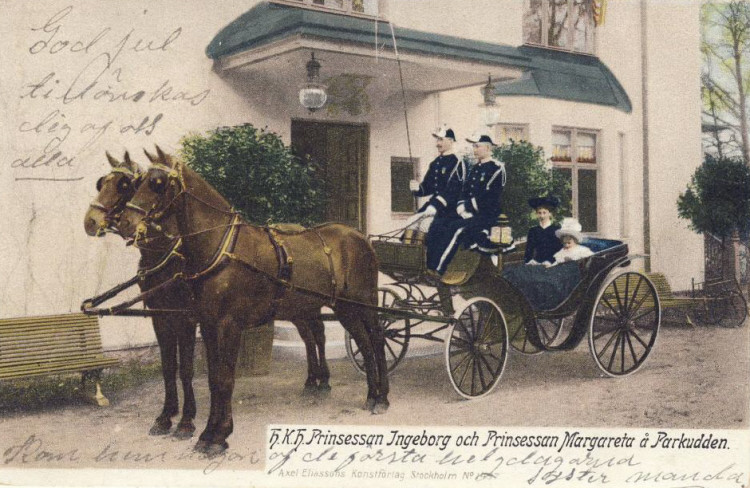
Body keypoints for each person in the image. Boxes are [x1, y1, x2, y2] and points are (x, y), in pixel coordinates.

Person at [426, 132, 506, 275]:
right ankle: (428, 264)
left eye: (477, 146)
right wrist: (461, 207)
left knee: (456, 229)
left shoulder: (497, 168)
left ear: (487, 148)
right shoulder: (475, 168)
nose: (474, 149)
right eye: (473, 146)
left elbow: (492, 197)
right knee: (440, 223)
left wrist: (469, 206)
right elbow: (464, 191)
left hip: (487, 217)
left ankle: (439, 269)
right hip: (470, 214)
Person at [402, 127, 465, 235]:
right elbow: (428, 186)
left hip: (449, 210)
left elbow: (453, 191)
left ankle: (422, 251)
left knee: (424, 225)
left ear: (450, 141)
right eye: (437, 140)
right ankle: (408, 251)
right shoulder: (435, 163)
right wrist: (418, 188)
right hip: (431, 207)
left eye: (441, 139)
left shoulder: (457, 162)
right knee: (410, 222)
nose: (437, 143)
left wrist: (435, 205)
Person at [524, 196, 563, 266]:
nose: (542, 216)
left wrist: (550, 261)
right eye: (539, 213)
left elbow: (559, 250)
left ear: (550, 213)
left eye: (544, 213)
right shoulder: (533, 231)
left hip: (553, 263)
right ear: (536, 214)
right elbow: (529, 250)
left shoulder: (556, 230)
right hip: (537, 263)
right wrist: (530, 260)